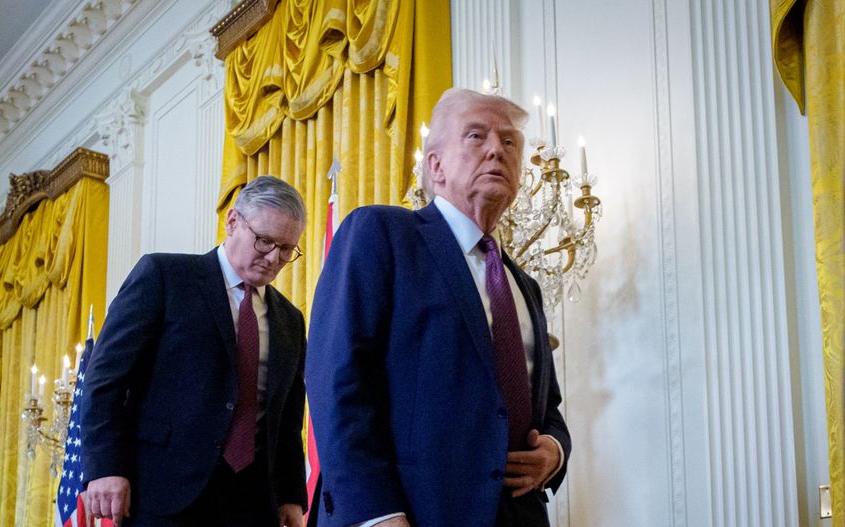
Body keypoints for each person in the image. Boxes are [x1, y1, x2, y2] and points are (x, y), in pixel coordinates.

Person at [306, 88, 571, 526]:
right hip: (408, 513)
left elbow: (549, 407)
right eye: (475, 136)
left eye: (509, 142)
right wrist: (376, 514)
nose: (495, 150)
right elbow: (337, 378)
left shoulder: (524, 286)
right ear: (436, 165)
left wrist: (555, 451)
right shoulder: (383, 234)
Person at [81, 176, 309, 527]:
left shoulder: (290, 320)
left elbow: (287, 418)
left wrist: (291, 495)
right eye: (264, 241)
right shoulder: (165, 277)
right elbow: (107, 377)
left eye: (286, 249)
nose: (273, 258)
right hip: (162, 493)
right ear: (233, 222)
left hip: (252, 504)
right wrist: (105, 466)